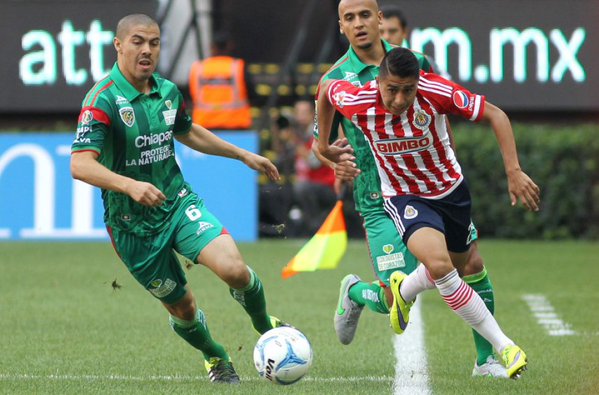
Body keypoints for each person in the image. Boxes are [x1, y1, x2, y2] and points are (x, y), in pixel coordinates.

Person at [70, 14, 287, 385]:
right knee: (183, 308)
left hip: (177, 203)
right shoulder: (101, 100)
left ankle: (266, 326)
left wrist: (242, 154)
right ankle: (216, 357)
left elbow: (187, 131)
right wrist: (128, 185)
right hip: (132, 228)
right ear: (118, 45)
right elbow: (79, 165)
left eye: (154, 43)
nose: (147, 50)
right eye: (138, 41)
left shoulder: (168, 91)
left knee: (234, 269)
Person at [317, 46, 540, 379]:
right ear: (379, 83)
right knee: (441, 267)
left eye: (408, 90)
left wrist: (513, 170)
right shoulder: (357, 100)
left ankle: (405, 290)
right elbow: (324, 89)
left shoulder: (436, 91)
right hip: (404, 197)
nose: (399, 99)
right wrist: (323, 146)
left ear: (418, 84)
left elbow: (496, 114)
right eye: (392, 89)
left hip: (451, 194)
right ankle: (504, 346)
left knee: (457, 268)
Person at [188, 30, 253, 130]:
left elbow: (190, 95)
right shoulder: (238, 67)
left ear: (212, 47)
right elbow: (252, 93)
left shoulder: (198, 68)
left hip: (204, 128)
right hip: (236, 126)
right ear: (230, 46)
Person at [292, 99, 337, 235]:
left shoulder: (317, 132)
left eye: (304, 113)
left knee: (302, 188)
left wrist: (295, 143)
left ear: (313, 114)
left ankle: (315, 226)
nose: (301, 116)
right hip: (311, 182)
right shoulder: (300, 133)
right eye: (298, 113)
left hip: (328, 185)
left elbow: (314, 163)